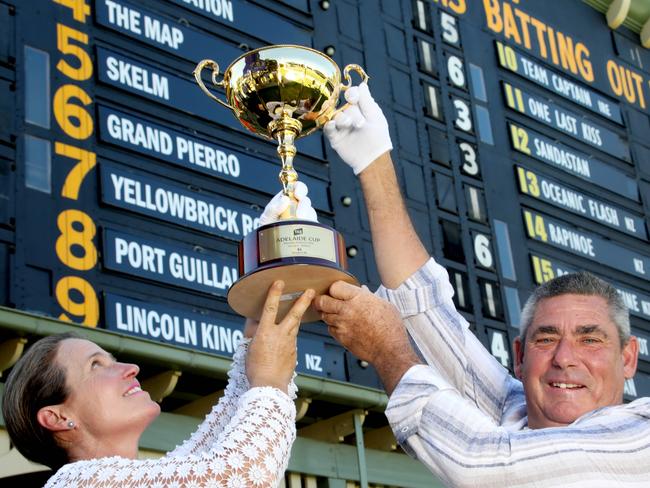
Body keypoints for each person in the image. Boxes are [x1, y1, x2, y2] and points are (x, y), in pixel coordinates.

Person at [266, 82, 650, 485]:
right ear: (518, 357)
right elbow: (426, 310)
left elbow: (479, 462)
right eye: (546, 339)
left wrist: (385, 347)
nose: (564, 357)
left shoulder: (640, 437)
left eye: (590, 339)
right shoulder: (516, 414)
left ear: (627, 359)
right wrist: (372, 160)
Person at [2, 281, 314, 487]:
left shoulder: (131, 478)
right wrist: (269, 383)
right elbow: (243, 477)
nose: (131, 368)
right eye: (96, 365)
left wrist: (253, 343)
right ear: (57, 417)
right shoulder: (76, 483)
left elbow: (209, 459)